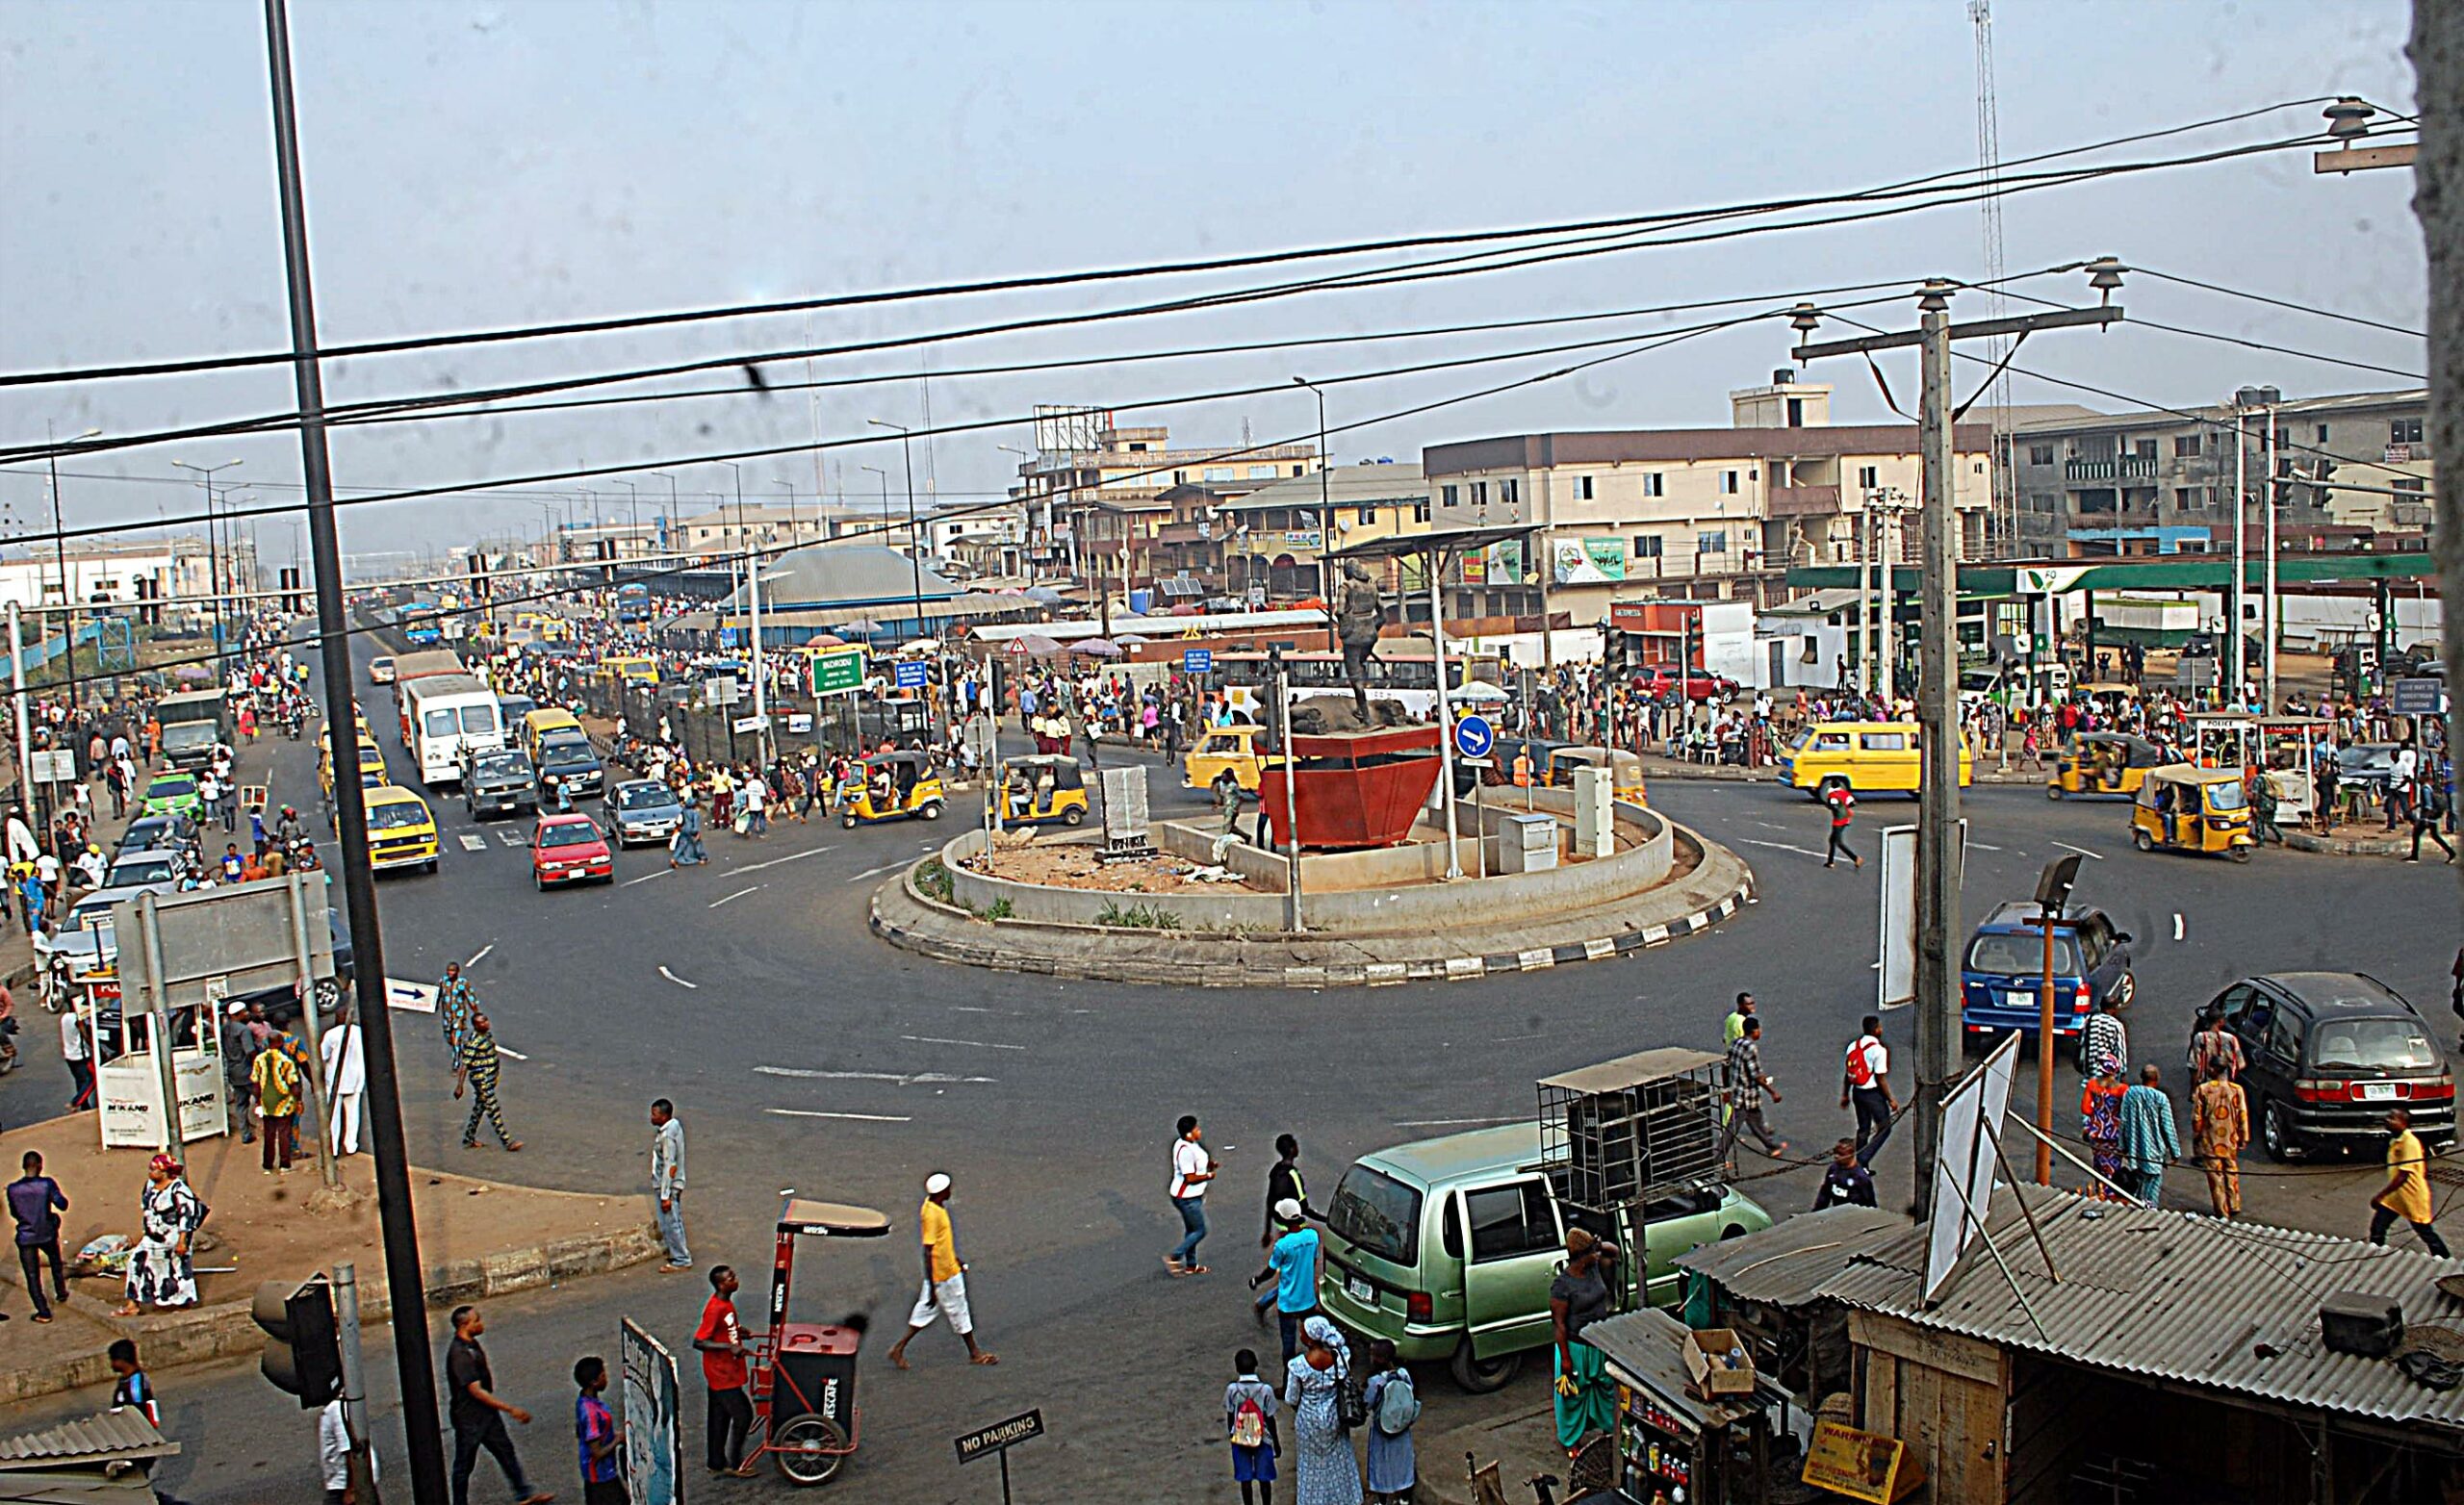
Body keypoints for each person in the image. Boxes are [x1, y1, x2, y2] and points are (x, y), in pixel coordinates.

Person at [445, 1305, 553, 1505]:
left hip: (486, 1414)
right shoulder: (460, 1354)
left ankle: (524, 1494)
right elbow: (475, 1390)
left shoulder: (471, 1345)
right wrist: (510, 1409)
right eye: (476, 1320)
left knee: (506, 1452)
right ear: (465, 1325)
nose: (481, 1323)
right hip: (470, 1418)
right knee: (464, 1464)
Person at [887, 1172, 998, 1368]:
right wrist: (932, 1285)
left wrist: (955, 1260)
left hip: (947, 1269)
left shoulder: (935, 1207)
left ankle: (899, 1348)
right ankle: (975, 1353)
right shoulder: (932, 1215)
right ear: (941, 1192)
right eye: (948, 1189)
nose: (950, 1191)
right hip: (944, 1276)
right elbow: (928, 1251)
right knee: (959, 1311)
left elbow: (942, 1243)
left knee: (926, 1310)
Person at [1549, 1228, 1617, 1453]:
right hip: (1575, 1347)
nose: (1597, 1255)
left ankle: (1609, 1429)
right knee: (1573, 1395)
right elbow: (1559, 1325)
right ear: (1581, 1255)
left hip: (1598, 1344)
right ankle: (1571, 1441)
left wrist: (1596, 1244)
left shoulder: (1594, 1268)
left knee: (1605, 1388)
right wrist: (1566, 1359)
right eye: (1591, 1252)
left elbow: (1613, 1251)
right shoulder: (1562, 1285)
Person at [1282, 1315, 1362, 1505]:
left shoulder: (1298, 1365)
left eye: (1302, 1331)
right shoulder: (1339, 1357)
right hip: (1335, 1415)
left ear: (1310, 1339)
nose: (1300, 1333)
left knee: (1310, 1464)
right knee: (1338, 1458)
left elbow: (1291, 1398)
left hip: (1308, 1420)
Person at [116, 1153, 205, 1314]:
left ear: (164, 1172)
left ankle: (183, 1305)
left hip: (172, 1238)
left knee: (177, 1271)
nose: (150, 1172)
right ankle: (132, 1304)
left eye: (154, 1169)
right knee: (135, 1263)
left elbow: (187, 1216)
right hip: (151, 1238)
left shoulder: (179, 1190)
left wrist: (182, 1241)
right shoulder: (149, 1186)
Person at [691, 1266, 756, 1477]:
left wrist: (738, 1332)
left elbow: (724, 1329)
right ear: (721, 1284)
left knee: (719, 1417)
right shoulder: (715, 1308)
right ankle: (736, 1462)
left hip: (726, 1371)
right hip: (721, 1373)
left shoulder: (726, 1305)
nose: (735, 1280)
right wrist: (730, 1347)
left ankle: (716, 1462)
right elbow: (699, 1341)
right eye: (731, 1279)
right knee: (744, 1415)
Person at [2370, 1108, 2451, 1256]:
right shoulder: (2396, 1139)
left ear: (2403, 1123)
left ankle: (2445, 1260)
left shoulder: (2410, 1143)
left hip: (2411, 1196)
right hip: (2396, 1196)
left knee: (2425, 1232)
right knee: (2378, 1227)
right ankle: (2374, 1255)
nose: (2387, 1120)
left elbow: (2403, 1175)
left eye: (2392, 1118)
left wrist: (2381, 1195)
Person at [1249, 1200, 1322, 1367]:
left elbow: (1270, 1271)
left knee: (1288, 1345)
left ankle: (1289, 1380)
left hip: (1288, 1304)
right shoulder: (1312, 1236)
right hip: (1307, 1299)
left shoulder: (1282, 1245)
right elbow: (1313, 1260)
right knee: (1313, 1338)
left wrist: (1256, 1280)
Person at [9, 1150, 70, 1323]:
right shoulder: (46, 1184)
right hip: (47, 1232)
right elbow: (62, 1204)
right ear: (40, 1166)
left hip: (26, 1236)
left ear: (23, 1167)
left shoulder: (13, 1189)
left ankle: (43, 1312)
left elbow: (15, 1213)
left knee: (32, 1275)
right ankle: (61, 1291)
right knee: (55, 1262)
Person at [1362, 1337, 1418, 1505]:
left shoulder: (1376, 1381)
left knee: (1381, 1465)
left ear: (1379, 1359)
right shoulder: (1403, 1374)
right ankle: (1404, 1499)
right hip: (1402, 1428)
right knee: (1404, 1461)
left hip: (1382, 1430)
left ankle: (1383, 1501)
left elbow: (1368, 1402)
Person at [1722, 1016, 1787, 1159]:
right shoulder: (1750, 1047)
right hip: (1746, 1096)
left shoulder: (1735, 1043)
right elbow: (1755, 1076)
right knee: (1732, 1129)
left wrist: (1726, 1088)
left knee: (1756, 1120)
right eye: (1759, 1029)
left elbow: (1726, 1066)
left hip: (1738, 1092)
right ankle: (1717, 1158)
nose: (1760, 1032)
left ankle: (1772, 1146)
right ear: (1754, 1031)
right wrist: (1773, 1093)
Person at [455, 1012, 522, 1151]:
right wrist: (459, 1086)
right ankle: (507, 1141)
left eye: (485, 1021)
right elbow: (465, 1065)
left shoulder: (486, 1036)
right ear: (475, 1026)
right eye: (481, 1023)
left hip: (490, 1079)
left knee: (479, 1109)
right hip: (482, 1081)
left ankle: (468, 1138)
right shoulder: (474, 1042)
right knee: (493, 1109)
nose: (485, 1024)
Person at [2190, 1059, 2248, 1218]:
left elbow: (2197, 1118)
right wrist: (2244, 1137)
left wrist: (2196, 1136)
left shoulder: (2203, 1089)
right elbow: (2242, 1114)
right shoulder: (2237, 1089)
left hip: (2210, 1141)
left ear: (2214, 1069)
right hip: (2230, 1140)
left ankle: (2222, 1211)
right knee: (2231, 1172)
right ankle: (2234, 1203)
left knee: (2216, 1178)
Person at [2116, 1063, 2180, 1208]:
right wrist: (2175, 1152)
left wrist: (2122, 1145)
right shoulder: (2161, 1098)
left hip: (2134, 1151)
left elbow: (2123, 1120)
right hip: (2154, 1153)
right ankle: (2150, 1211)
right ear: (2157, 1079)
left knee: (2135, 1188)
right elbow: (2168, 1127)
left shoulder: (2131, 1093)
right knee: (2152, 1191)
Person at [1224, 1348, 1281, 1505]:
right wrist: (1276, 1442)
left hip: (1241, 1438)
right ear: (1256, 1365)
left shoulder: (1232, 1390)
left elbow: (1230, 1415)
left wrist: (1232, 1434)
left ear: (1236, 1368)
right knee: (1265, 1479)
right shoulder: (1266, 1390)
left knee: (1245, 1479)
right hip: (1262, 1438)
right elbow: (1270, 1418)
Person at [1840, 1016, 1895, 1168]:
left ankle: (1861, 1166)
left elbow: (1848, 1073)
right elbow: (1880, 1079)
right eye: (1880, 1027)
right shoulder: (1879, 1050)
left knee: (1863, 1128)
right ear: (1876, 1030)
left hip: (1857, 1092)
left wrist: (1845, 1094)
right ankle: (1862, 1160)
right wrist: (1891, 1099)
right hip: (1873, 1095)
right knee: (1885, 1128)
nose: (1881, 1030)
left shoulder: (1853, 1046)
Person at [1167, 1113, 1218, 1277]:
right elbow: (1190, 1178)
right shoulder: (1184, 1151)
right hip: (1186, 1197)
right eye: (1197, 1129)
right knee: (1200, 1230)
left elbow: (1200, 1160)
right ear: (1189, 1133)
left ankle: (1191, 1265)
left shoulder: (1190, 1144)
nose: (1199, 1131)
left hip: (1193, 1196)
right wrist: (1209, 1176)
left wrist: (1210, 1164)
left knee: (1192, 1230)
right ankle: (1174, 1257)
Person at [573, 1355, 628, 1504]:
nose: (606, 1379)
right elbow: (596, 1453)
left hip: (602, 1473)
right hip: (601, 1476)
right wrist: (617, 1440)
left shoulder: (584, 1400)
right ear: (594, 1382)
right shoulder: (591, 1412)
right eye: (603, 1376)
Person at [253, 1028, 304, 1173]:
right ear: (281, 1043)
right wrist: (298, 1101)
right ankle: (284, 1165)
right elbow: (294, 1085)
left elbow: (256, 1084)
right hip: (284, 1103)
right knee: (284, 1133)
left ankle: (267, 1165)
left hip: (267, 1103)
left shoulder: (259, 1060)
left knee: (269, 1134)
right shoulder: (286, 1061)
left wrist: (258, 1102)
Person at [321, 1004, 367, 1158]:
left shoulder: (331, 1035)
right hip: (356, 1080)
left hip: (335, 1082)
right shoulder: (359, 1032)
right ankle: (351, 1145)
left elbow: (323, 1056)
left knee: (333, 1117)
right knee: (353, 1115)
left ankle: (333, 1148)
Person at [650, 1099, 688, 1272]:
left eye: (654, 1114)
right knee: (675, 1221)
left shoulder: (666, 1137)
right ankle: (680, 1254)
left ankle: (680, 1259)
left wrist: (665, 1196)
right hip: (674, 1184)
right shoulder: (674, 1127)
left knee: (670, 1223)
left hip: (668, 1186)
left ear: (664, 1116)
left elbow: (669, 1166)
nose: (651, 1117)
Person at [1812, 1137, 1877, 1211]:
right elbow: (1825, 1194)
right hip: (1838, 1213)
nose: (1836, 1156)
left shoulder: (1860, 1177)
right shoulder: (1833, 1169)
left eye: (1841, 1154)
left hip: (1854, 1215)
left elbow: (1870, 1203)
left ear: (1851, 1154)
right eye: (1835, 1152)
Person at [109, 1338, 159, 1425]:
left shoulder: (135, 1384)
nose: (111, 1365)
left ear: (122, 1361)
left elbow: (138, 1412)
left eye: (113, 1360)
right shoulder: (126, 1380)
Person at [439, 961, 478, 1066]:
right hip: (447, 1016)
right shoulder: (443, 981)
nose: (450, 973)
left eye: (453, 971)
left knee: (456, 1038)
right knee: (449, 1038)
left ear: (457, 972)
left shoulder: (462, 983)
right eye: (449, 970)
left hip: (459, 1016)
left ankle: (456, 1062)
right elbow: (438, 995)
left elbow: (471, 998)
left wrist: (476, 1013)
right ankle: (460, 1050)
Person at [62, 1005, 93, 1111]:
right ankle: (75, 1102)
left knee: (80, 1081)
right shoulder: (77, 1019)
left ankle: (85, 1106)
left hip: (69, 1055)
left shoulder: (65, 1017)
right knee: (92, 1079)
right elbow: (86, 1036)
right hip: (80, 1055)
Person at [1821, 780, 1860, 869]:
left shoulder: (1832, 795)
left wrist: (1829, 805)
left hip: (1838, 821)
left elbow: (1833, 806)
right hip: (1846, 819)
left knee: (1838, 842)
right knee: (1832, 840)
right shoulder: (1845, 793)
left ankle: (1855, 858)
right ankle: (1830, 862)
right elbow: (1852, 803)